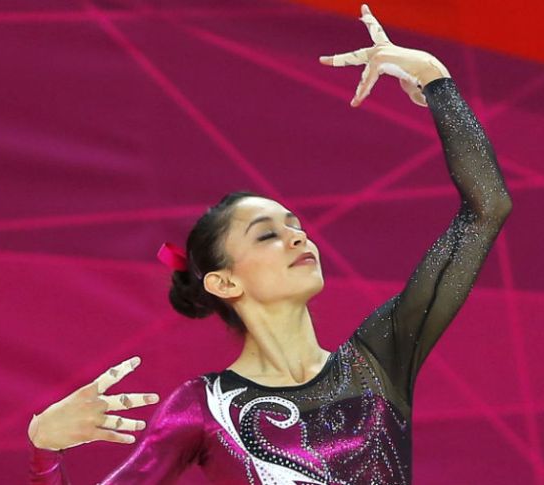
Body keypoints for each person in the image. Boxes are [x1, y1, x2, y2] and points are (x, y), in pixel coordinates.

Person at [27, 4, 513, 484]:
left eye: (294, 224)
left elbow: (487, 209)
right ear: (223, 281)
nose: (297, 236)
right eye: (268, 234)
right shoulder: (203, 409)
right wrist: (44, 450)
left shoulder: (379, 360)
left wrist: (434, 78)